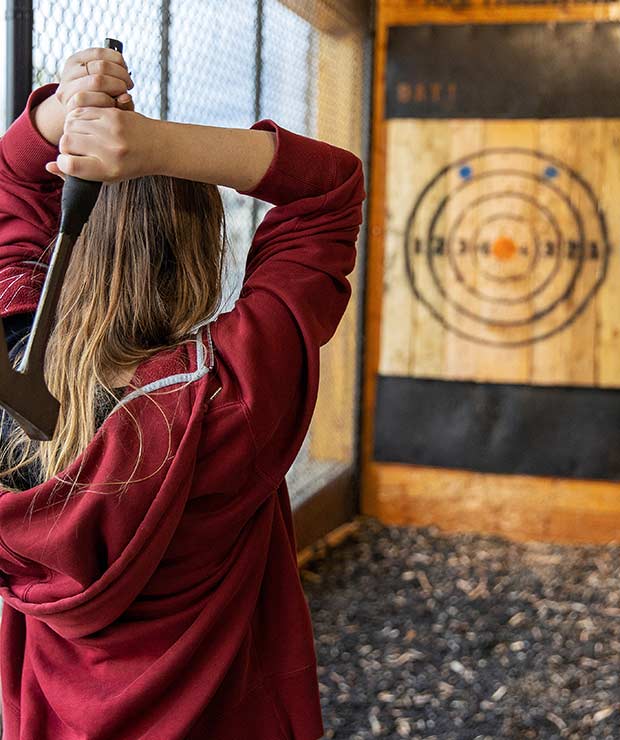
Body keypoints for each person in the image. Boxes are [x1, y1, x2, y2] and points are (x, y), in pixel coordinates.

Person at [0, 45, 365, 739]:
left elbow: (9, 183)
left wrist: (56, 114)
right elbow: (331, 188)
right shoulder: (231, 394)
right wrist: (160, 147)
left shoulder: (12, 351)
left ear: (64, 247)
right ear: (202, 256)